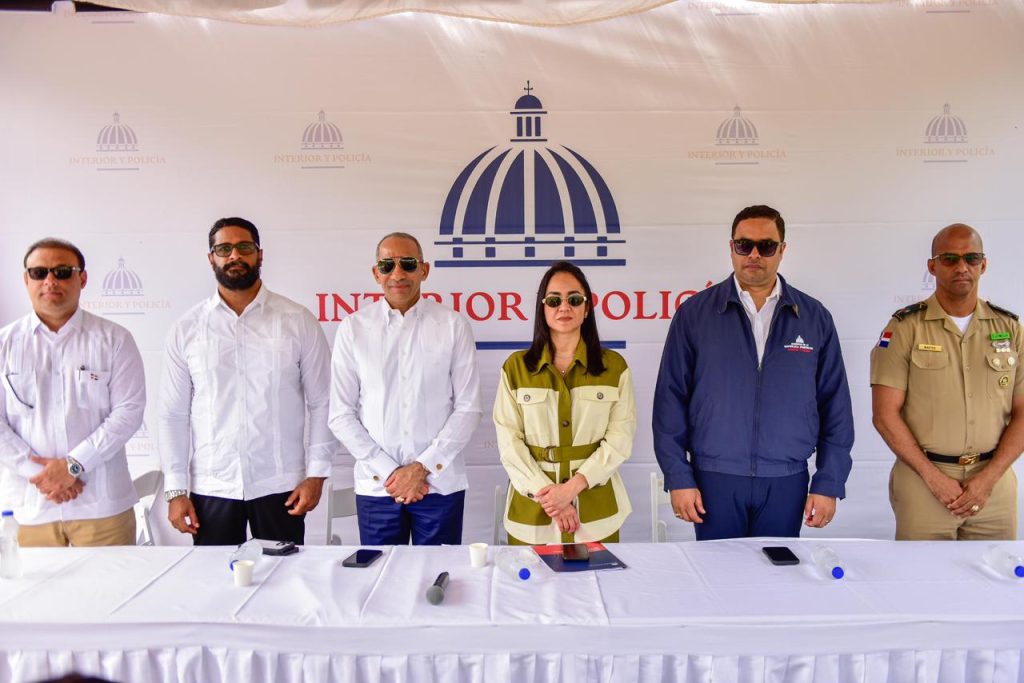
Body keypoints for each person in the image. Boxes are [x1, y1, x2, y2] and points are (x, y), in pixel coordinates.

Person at [653, 205, 854, 540]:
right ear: (731, 247)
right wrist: (678, 477)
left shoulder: (814, 317)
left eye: (767, 246)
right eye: (744, 245)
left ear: (782, 250)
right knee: (718, 571)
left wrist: (829, 482)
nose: (755, 255)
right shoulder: (695, 315)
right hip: (714, 479)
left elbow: (836, 406)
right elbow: (670, 402)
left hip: (785, 481)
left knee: (777, 572)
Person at [158, 217, 336, 545]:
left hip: (281, 484)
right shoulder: (187, 329)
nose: (235, 256)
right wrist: (175, 491)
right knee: (213, 576)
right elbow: (173, 414)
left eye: (244, 247)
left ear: (260, 254)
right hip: (213, 486)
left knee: (285, 572)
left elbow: (324, 401)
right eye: (224, 249)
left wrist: (316, 475)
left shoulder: (297, 321)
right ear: (211, 258)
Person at [870, 223, 1023, 540]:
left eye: (971, 258)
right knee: (923, 572)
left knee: (994, 572)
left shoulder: (1010, 329)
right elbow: (885, 414)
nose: (962, 267)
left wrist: (987, 480)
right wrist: (934, 478)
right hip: (924, 483)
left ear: (983, 264)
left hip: (993, 485)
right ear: (932, 266)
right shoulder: (905, 327)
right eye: (950, 259)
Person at [329, 232, 481, 545]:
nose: (397, 273)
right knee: (380, 572)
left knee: (438, 574)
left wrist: (422, 468)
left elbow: (469, 407)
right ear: (376, 273)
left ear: (424, 270)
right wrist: (390, 472)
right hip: (378, 487)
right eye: (387, 265)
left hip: (439, 485)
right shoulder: (353, 328)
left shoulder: (453, 325)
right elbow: (340, 414)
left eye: (408, 264)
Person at [0, 238, 145, 546]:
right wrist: (42, 475)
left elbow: (128, 412)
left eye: (63, 271)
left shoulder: (115, 339)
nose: (50, 280)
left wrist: (74, 465)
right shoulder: (4, 344)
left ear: (83, 278)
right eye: (39, 272)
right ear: (26, 280)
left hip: (103, 509)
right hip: (28, 510)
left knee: (113, 581)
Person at [493, 261, 636, 545]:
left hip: (595, 513)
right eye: (554, 300)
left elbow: (620, 439)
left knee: (598, 575)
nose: (564, 307)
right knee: (531, 576)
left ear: (587, 308)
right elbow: (509, 443)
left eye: (574, 299)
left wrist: (571, 490)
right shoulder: (516, 368)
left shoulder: (614, 367)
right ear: (543, 308)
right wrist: (551, 498)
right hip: (533, 514)